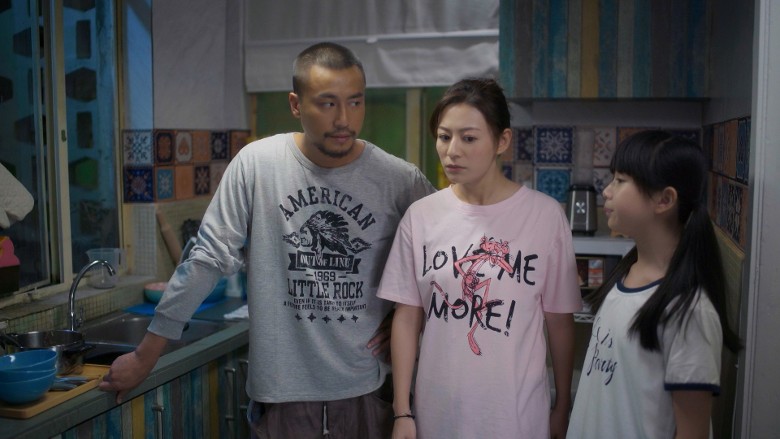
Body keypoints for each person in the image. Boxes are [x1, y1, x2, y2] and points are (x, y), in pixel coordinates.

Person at [99, 42, 435, 438]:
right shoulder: (257, 165)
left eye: (355, 102)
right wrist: (145, 356)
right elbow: (207, 259)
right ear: (296, 104)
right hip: (281, 395)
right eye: (327, 103)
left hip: (366, 390)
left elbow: (448, 254)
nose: (344, 119)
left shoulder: (398, 179)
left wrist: (410, 317)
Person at [376, 78, 582, 439]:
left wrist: (562, 406)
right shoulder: (421, 217)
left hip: (517, 419)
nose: (452, 151)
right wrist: (402, 411)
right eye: (444, 137)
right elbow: (407, 317)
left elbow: (560, 322)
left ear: (502, 141)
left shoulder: (545, 216)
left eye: (469, 138)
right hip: (437, 416)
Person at [567, 131, 742, 438]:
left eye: (620, 181)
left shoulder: (689, 312)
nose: (606, 191)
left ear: (664, 200)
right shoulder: (625, 275)